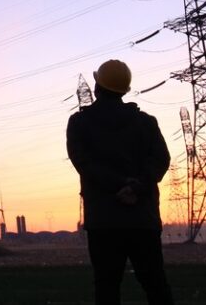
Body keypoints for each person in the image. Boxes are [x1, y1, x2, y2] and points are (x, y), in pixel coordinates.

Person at [67, 59, 174, 305]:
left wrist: (117, 185)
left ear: (97, 87)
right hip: (142, 218)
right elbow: (160, 160)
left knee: (107, 287)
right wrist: (135, 187)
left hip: (104, 221)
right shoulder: (146, 122)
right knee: (155, 284)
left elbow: (84, 163)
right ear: (125, 89)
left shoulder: (80, 123)